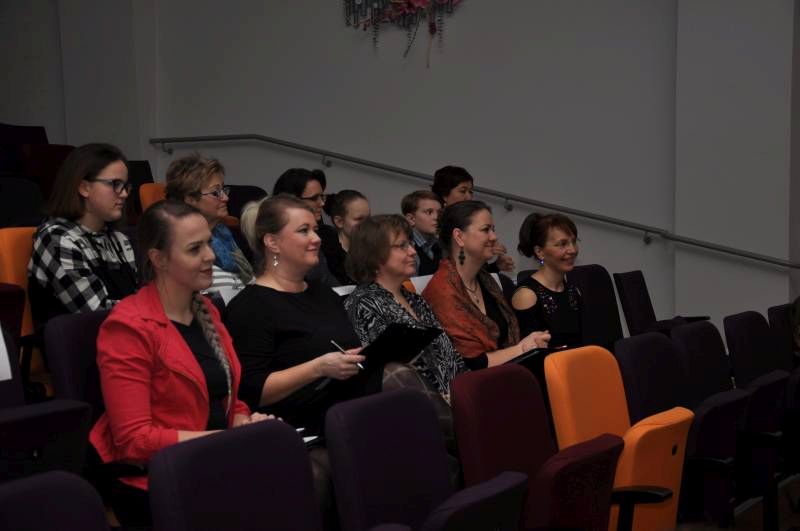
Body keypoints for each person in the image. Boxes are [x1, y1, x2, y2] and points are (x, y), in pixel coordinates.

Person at [89, 200, 269, 526]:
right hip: (159, 478)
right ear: (159, 259)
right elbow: (134, 441)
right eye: (194, 249)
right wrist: (226, 440)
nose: (211, 256)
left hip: (215, 460)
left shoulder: (207, 311)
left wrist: (243, 422)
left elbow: (231, 397)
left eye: (209, 243)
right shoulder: (129, 327)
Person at [225, 194, 367, 434]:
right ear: (272, 242)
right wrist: (318, 368)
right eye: (304, 231)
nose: (316, 239)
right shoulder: (250, 307)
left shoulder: (324, 294)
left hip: (349, 412)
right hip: (300, 426)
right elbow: (252, 391)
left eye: (315, 229)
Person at [345, 215, 467, 396]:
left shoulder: (415, 300)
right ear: (374, 254)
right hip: (415, 408)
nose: (413, 251)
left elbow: (451, 357)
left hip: (455, 398)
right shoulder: (363, 303)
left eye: (410, 243)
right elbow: (387, 376)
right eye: (402, 246)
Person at [423, 201, 550, 369]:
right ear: (459, 237)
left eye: (493, 230)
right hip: (474, 386)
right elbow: (473, 363)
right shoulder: (443, 291)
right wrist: (522, 348)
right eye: (485, 230)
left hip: (506, 375)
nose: (494, 237)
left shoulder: (485, 280)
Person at [28, 143, 138, 324]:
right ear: (84, 188)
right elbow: (97, 311)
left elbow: (136, 299)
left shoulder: (119, 240)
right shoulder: (57, 239)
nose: (124, 194)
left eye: (126, 186)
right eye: (115, 184)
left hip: (125, 340)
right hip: (80, 347)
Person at [165, 153, 253, 293]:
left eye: (223, 190)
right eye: (215, 192)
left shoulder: (229, 235)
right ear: (190, 199)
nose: (225, 198)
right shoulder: (178, 247)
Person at [513, 213, 582, 348]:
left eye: (573, 241)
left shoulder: (573, 291)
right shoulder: (526, 296)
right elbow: (528, 358)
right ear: (540, 252)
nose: (573, 250)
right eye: (562, 244)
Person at [432, 165, 514, 272]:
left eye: (470, 192)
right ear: (445, 194)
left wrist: (495, 266)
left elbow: (473, 277)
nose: (468, 197)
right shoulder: (434, 225)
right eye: (462, 191)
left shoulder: (469, 220)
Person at [272, 168, 339, 287]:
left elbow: (327, 280)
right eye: (314, 198)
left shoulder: (319, 234)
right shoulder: (274, 239)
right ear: (291, 200)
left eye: (322, 197)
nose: (322, 204)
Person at [321, 190, 370, 285]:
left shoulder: (373, 252)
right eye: (359, 219)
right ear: (339, 222)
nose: (366, 224)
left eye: (368, 218)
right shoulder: (327, 257)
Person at [401, 190, 443, 276]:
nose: (436, 217)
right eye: (429, 212)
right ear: (411, 219)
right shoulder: (404, 249)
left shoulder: (440, 245)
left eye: (439, 212)